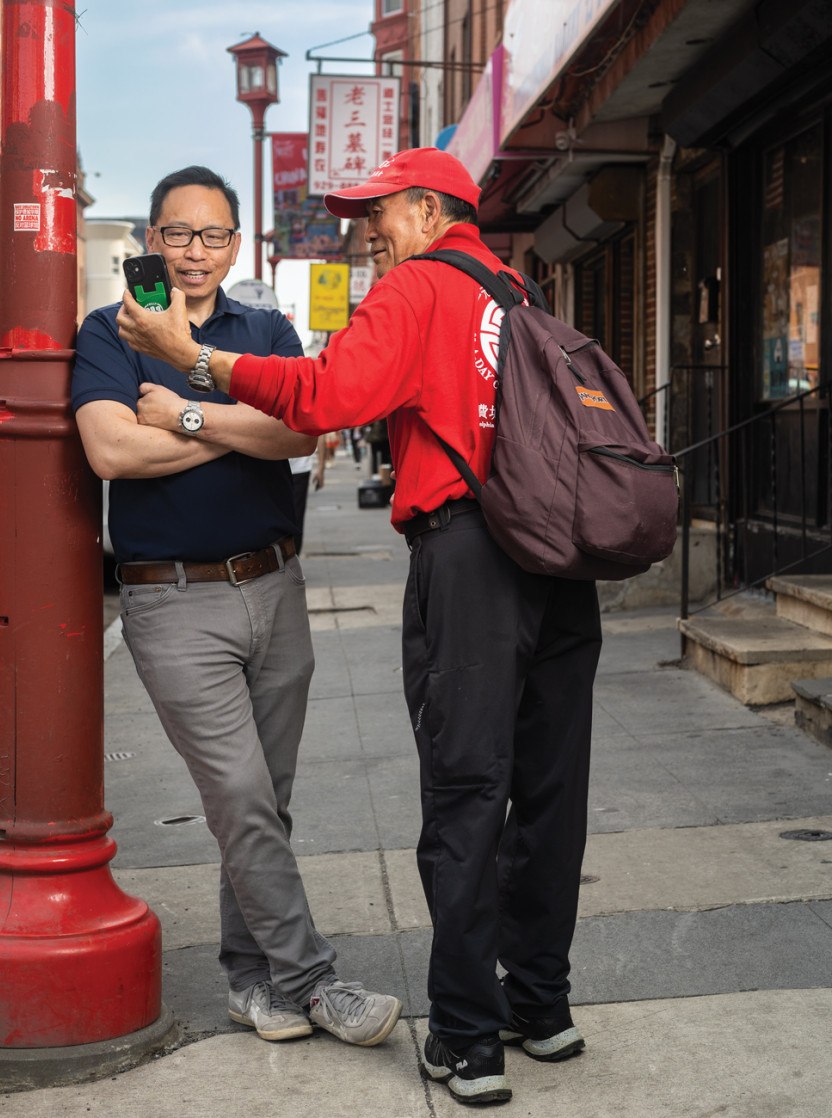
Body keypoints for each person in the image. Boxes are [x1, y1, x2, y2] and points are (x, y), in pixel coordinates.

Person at [119, 148, 602, 1105]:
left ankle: (465, 1039)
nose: (367, 232)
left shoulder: (419, 287)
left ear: (426, 209)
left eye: (377, 213)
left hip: (472, 556)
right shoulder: (519, 289)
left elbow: (327, 398)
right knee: (550, 789)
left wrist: (197, 364)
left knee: (467, 791)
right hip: (562, 558)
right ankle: (539, 1006)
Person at [71, 165, 402, 1050]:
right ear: (150, 239)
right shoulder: (108, 333)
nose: (195, 253)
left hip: (276, 587)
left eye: (213, 236)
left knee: (264, 803)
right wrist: (232, 428)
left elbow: (302, 431)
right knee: (244, 793)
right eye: (178, 234)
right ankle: (314, 980)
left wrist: (183, 419)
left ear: (236, 244)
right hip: (173, 602)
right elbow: (110, 451)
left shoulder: (266, 328)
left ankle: (250, 981)